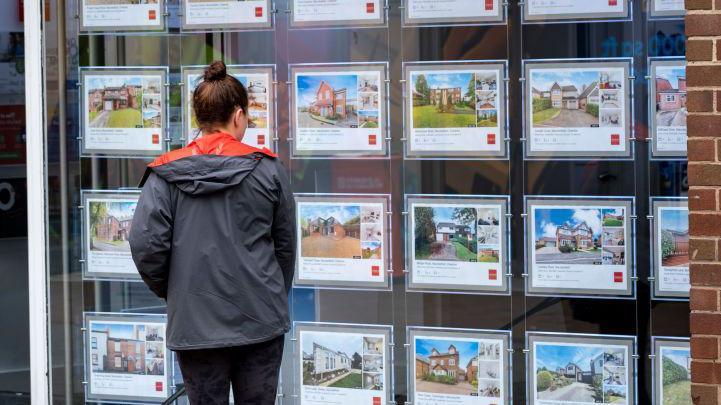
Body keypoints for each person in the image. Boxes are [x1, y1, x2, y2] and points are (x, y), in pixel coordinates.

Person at [129, 60, 295, 405]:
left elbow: (145, 245)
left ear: (198, 119)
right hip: (260, 319)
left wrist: (176, 290)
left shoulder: (164, 174)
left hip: (195, 323)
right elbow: (285, 247)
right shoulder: (270, 170)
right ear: (238, 115)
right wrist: (271, 293)